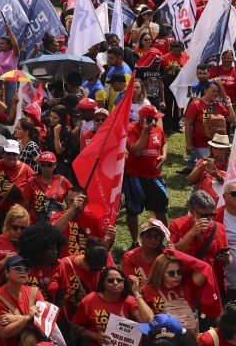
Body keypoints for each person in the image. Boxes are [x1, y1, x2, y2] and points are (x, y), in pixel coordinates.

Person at [124, 105, 170, 244]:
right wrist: (145, 131)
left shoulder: (158, 129)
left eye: (156, 119)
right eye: (151, 119)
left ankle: (165, 239)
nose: (155, 122)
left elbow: (164, 143)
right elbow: (136, 151)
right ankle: (134, 241)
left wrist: (164, 155)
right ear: (143, 118)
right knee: (133, 211)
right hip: (135, 177)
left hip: (155, 177)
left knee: (161, 210)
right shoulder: (130, 129)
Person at [72, 266, 153, 344]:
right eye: (110, 280)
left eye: (119, 280)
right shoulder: (89, 300)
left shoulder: (129, 300)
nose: (115, 283)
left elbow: (149, 320)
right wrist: (95, 336)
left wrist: (136, 293)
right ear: (103, 282)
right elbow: (75, 327)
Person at [0, 255, 45, 346]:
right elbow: (3, 333)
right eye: (18, 268)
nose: (23, 271)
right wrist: (27, 317)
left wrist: (16, 318)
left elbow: (45, 322)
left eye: (26, 269)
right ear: (7, 272)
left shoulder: (35, 292)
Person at [0, 140, 35, 224]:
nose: (11, 156)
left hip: (17, 217)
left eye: (14, 154)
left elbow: (33, 190)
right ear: (3, 153)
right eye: (8, 153)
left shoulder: (27, 170)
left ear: (18, 154)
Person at [0, 205, 31, 290]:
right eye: (15, 227)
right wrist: (4, 262)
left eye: (23, 228)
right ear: (8, 225)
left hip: (24, 289)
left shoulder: (29, 242)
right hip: (2, 289)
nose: (19, 231)